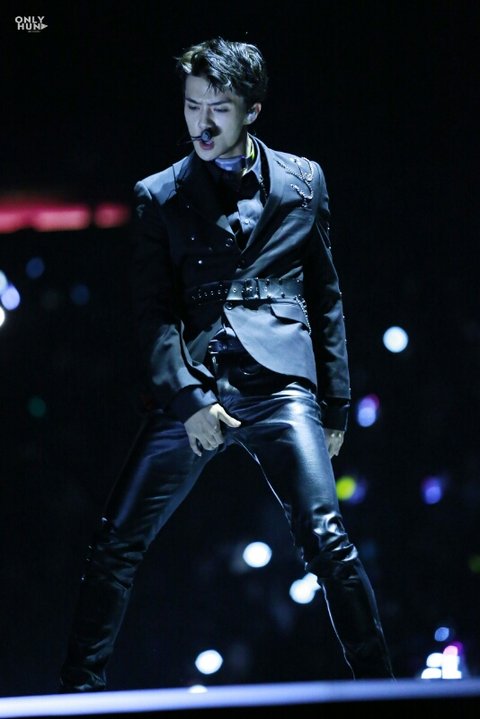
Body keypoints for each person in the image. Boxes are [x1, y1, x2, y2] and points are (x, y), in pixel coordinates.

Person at [59, 37, 394, 692]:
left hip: (280, 386)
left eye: (218, 108)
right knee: (115, 543)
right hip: (196, 384)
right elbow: (153, 314)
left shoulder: (303, 181)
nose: (202, 123)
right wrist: (189, 400)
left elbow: (326, 294)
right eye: (192, 106)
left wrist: (335, 404)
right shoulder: (159, 194)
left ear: (252, 109)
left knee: (328, 539)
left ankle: (381, 686)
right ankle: (78, 690)